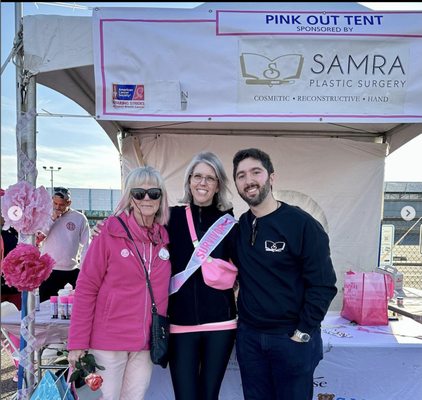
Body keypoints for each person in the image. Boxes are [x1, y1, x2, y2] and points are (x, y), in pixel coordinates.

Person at [231, 148, 338, 400]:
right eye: (241, 175)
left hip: (290, 340)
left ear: (271, 177)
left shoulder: (302, 225)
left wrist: (303, 332)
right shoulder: (240, 228)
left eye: (256, 172)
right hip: (250, 340)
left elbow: (323, 285)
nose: (249, 181)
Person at [67, 166, 171, 400]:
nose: (146, 198)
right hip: (107, 343)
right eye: (139, 193)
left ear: (161, 198)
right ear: (129, 198)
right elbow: (86, 289)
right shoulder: (108, 234)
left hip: (145, 343)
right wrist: (77, 342)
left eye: (154, 193)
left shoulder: (163, 239)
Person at [166, 152, 237, 400]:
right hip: (180, 323)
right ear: (188, 181)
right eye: (197, 176)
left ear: (218, 185)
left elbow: (247, 269)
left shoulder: (229, 223)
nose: (203, 183)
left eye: (210, 178)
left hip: (221, 323)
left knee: (209, 396)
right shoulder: (170, 218)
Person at [38, 186, 90, 302]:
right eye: (55, 203)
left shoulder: (79, 218)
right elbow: (38, 238)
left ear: (69, 202)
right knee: (45, 307)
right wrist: (52, 219)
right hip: (49, 271)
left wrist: (83, 270)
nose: (57, 207)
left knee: (75, 307)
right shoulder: (45, 215)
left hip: (71, 271)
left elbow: (87, 246)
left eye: (61, 204)